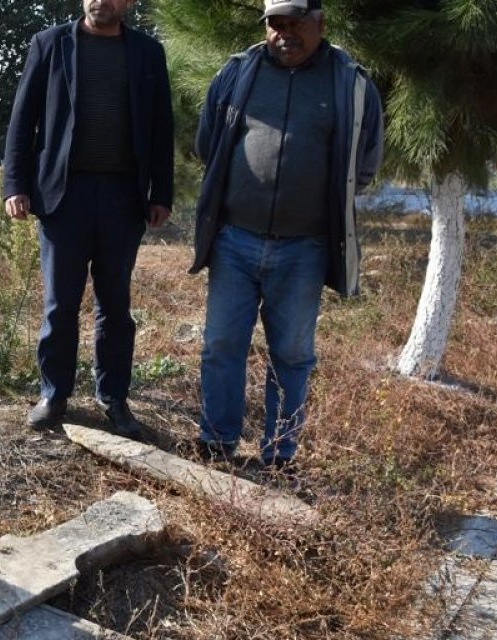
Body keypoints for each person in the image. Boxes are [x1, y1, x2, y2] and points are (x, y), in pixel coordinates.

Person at [189, 0, 382, 469]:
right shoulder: (238, 73)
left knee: (292, 355)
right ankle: (217, 445)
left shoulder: (352, 85)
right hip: (235, 241)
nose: (285, 34)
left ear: (321, 23)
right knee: (221, 345)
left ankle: (279, 455)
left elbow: (366, 165)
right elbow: (206, 144)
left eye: (296, 23)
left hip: (305, 248)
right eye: (276, 24)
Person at [3, 0, 173, 440]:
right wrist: (14, 185)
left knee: (115, 306)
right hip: (64, 196)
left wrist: (162, 192)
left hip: (123, 198)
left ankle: (113, 397)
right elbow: (23, 121)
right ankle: (53, 395)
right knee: (60, 304)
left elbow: (161, 127)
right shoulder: (49, 44)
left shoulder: (148, 53)